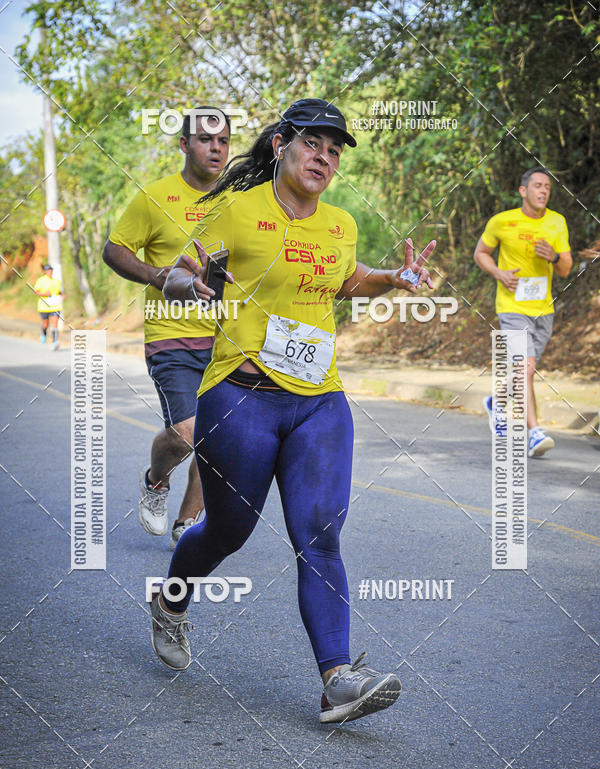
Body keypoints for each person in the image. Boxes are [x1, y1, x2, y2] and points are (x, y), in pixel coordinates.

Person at [150, 98, 436, 725]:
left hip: (319, 402)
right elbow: (180, 271)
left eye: (335, 151)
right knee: (229, 532)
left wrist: (397, 277)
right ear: (281, 145)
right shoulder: (237, 211)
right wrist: (184, 284)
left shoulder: (338, 223)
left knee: (320, 535)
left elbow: (344, 279)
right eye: (314, 144)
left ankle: (338, 679)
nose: (325, 159)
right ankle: (171, 601)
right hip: (241, 394)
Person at [103, 107, 231, 548]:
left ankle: (187, 522)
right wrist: (159, 276)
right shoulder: (154, 197)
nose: (216, 148)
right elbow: (114, 250)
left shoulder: (237, 199)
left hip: (227, 337)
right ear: (184, 145)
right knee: (186, 433)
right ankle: (156, 481)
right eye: (205, 140)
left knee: (216, 435)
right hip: (170, 335)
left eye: (223, 141)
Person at [474, 166, 572, 457]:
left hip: (543, 310)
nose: (543, 191)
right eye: (538, 185)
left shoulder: (557, 223)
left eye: (548, 188)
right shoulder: (502, 222)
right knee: (526, 367)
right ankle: (534, 432)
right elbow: (481, 253)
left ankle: (495, 401)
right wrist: (499, 273)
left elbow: (566, 268)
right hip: (511, 306)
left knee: (523, 370)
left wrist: (553, 257)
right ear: (523, 191)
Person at [33, 263, 63, 350]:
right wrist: (46, 294)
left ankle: (55, 342)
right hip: (44, 306)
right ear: (45, 271)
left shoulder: (56, 281)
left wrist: (62, 294)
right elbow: (36, 292)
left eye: (51, 270)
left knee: (54, 324)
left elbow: (57, 292)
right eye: (48, 270)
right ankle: (44, 333)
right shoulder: (41, 280)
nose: (50, 271)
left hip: (55, 306)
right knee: (45, 324)